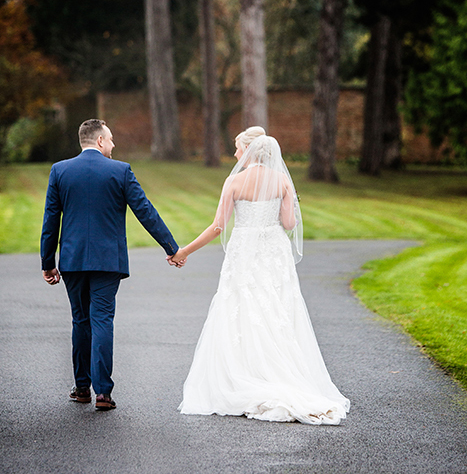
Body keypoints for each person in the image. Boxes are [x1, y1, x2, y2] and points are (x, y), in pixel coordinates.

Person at [170, 129, 350, 425]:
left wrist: (184, 251)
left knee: (243, 308)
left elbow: (218, 227)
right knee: (277, 309)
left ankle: (248, 374)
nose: (235, 154)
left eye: (238, 148)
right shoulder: (281, 180)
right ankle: (282, 373)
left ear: (250, 150)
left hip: (245, 252)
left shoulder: (234, 181)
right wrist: (290, 200)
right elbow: (289, 223)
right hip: (274, 252)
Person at [40, 119, 181, 410]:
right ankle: (103, 392)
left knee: (80, 320)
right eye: (112, 139)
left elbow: (51, 220)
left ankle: (82, 388)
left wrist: (47, 262)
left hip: (73, 259)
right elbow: (146, 211)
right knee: (102, 319)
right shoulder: (121, 171)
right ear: (100, 141)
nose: (114, 145)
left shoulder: (60, 171)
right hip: (108, 260)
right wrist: (171, 247)